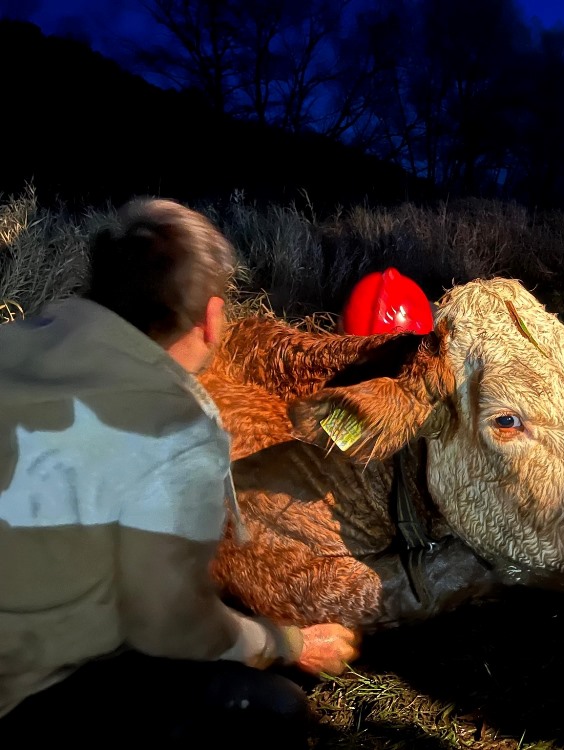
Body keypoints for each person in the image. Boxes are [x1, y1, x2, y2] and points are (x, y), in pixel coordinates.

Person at [0, 198, 360, 748]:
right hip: (21, 694)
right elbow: (172, 624)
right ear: (213, 319)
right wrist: (285, 643)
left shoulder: (14, 342)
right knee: (274, 709)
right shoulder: (174, 422)